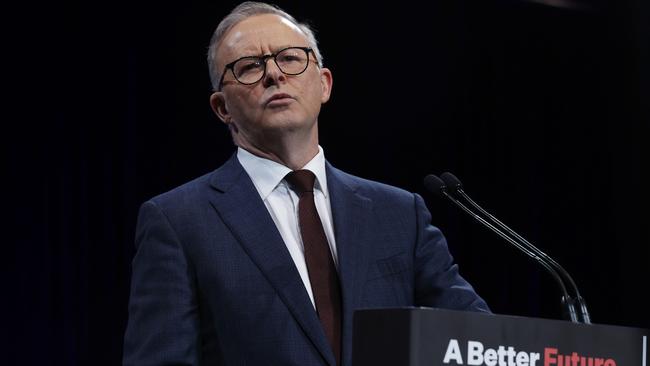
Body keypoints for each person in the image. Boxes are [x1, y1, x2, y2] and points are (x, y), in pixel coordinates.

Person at [122, 2, 490, 365]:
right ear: (222, 108)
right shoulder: (178, 221)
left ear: (324, 84)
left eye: (291, 59)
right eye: (249, 66)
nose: (274, 75)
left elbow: (480, 343)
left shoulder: (398, 214)